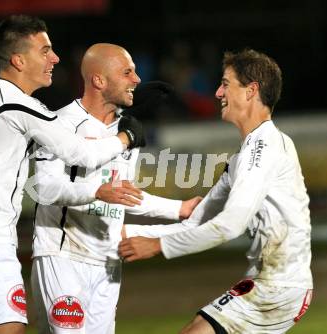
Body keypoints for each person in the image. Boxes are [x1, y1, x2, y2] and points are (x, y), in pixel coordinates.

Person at [0, 16, 145, 334]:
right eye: (45, 51)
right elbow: (83, 154)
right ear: (19, 60)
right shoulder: (20, 106)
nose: (55, 58)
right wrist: (126, 136)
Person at [119, 49, 313, 334]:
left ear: (251, 91)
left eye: (226, 83)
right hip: (269, 282)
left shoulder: (264, 148)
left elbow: (230, 225)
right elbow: (200, 219)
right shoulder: (245, 154)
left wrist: (159, 246)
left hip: (279, 287)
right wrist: (127, 234)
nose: (218, 92)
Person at [30, 43, 202, 334]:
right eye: (127, 72)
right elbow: (45, 188)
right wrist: (96, 191)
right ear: (99, 80)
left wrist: (180, 209)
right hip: (63, 256)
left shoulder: (128, 131)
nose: (137, 79)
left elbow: (122, 193)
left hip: (107, 262)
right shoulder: (57, 123)